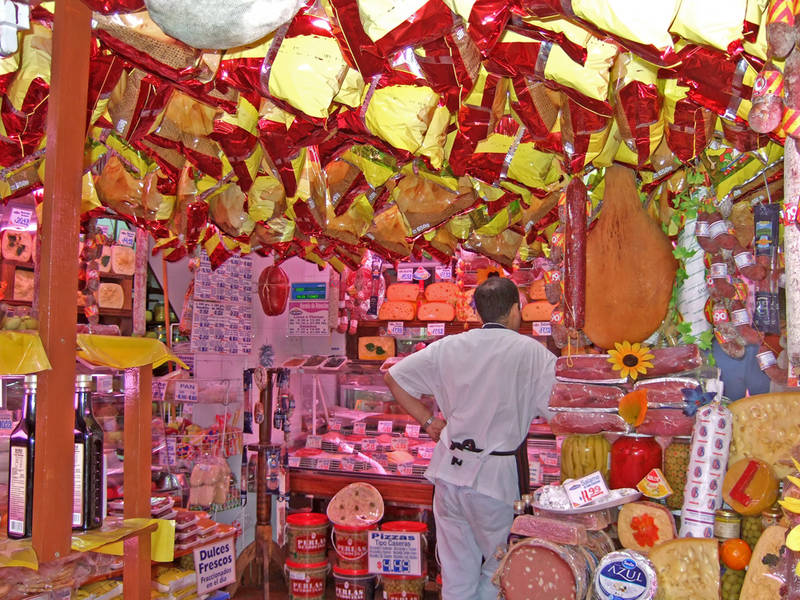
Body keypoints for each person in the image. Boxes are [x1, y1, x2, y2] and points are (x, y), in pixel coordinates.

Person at [384, 275, 557, 600]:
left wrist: (429, 421)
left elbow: (393, 377)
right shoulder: (531, 352)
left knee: (456, 575)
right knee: (501, 568)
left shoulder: (449, 345)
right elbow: (558, 416)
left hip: (448, 475)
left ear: (477, 312)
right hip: (493, 482)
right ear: (515, 311)